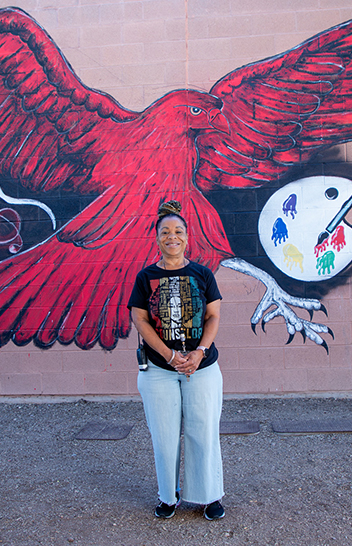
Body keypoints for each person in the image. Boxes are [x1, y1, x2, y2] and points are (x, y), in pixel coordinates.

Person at [128, 200, 225, 521]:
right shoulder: (146, 277)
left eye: (179, 231)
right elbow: (139, 320)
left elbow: (213, 316)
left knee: (204, 430)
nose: (173, 237)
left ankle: (208, 496)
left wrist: (198, 353)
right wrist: (169, 356)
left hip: (202, 367)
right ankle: (168, 497)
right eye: (165, 232)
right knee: (164, 435)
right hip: (159, 369)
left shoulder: (202, 273)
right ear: (157, 238)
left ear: (187, 237)